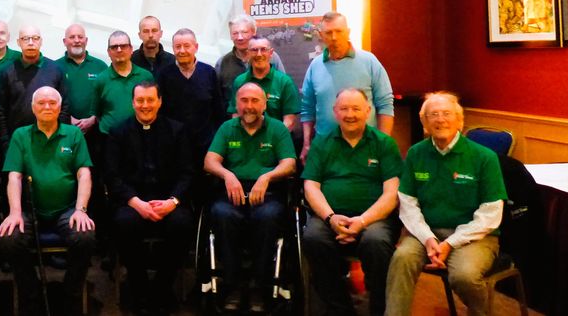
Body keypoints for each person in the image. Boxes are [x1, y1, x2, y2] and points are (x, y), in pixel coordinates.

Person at [385, 92, 507, 316]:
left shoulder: (484, 157)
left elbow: (491, 213)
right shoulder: (415, 153)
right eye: (434, 115)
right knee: (401, 260)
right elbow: (408, 204)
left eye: (447, 114)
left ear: (460, 121)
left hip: (475, 237)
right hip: (426, 233)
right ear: (424, 123)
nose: (441, 120)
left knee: (464, 275)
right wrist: (428, 238)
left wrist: (450, 243)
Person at [301, 88, 402, 316]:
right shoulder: (322, 143)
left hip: (375, 219)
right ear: (335, 113)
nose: (350, 114)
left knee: (376, 241)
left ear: (368, 112)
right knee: (313, 238)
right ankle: (340, 308)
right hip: (330, 216)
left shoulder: (384, 143)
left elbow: (391, 193)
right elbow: (311, 186)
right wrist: (330, 217)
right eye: (344, 109)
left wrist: (363, 221)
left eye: (356, 108)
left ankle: (378, 308)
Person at [0, 87, 96, 315]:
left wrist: (81, 210)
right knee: (10, 238)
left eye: (52, 103)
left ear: (60, 108)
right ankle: (31, 294)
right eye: (41, 103)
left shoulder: (74, 134)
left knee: (85, 236)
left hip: (66, 210)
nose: (47, 107)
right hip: (30, 210)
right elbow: (14, 176)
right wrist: (14, 212)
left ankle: (70, 296)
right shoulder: (20, 135)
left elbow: (84, 174)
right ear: (33, 108)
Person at [204, 83, 297, 312]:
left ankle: (259, 286)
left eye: (255, 101)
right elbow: (210, 161)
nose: (249, 106)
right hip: (232, 191)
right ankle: (233, 285)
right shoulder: (227, 128)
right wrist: (227, 175)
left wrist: (267, 177)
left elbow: (290, 164)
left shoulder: (277, 129)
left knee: (268, 218)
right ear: (236, 103)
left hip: (268, 192)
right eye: (244, 100)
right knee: (222, 215)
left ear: (265, 103)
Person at [104, 82, 193, 315]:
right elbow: (112, 176)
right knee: (124, 223)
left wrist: (172, 202)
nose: (145, 105)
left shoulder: (177, 130)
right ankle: (138, 287)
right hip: (132, 202)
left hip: (168, 202)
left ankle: (163, 287)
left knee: (182, 224)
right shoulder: (118, 132)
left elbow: (187, 173)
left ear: (160, 101)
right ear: (133, 102)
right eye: (140, 100)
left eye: (150, 100)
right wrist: (136, 202)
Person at [300, 11, 394, 163]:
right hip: (325, 149)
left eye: (339, 31)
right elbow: (307, 109)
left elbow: (385, 105)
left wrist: (383, 144)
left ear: (348, 32)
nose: (334, 37)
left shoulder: (369, 61)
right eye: (329, 32)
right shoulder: (315, 66)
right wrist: (306, 144)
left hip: (365, 147)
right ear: (321, 35)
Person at [156, 28, 225, 168]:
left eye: (186, 46)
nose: (182, 50)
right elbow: (160, 112)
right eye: (177, 46)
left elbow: (218, 110)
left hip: (206, 145)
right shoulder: (164, 75)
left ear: (196, 47)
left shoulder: (209, 72)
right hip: (175, 145)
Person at [0, 25, 69, 155]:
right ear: (18, 42)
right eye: (25, 39)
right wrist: (6, 143)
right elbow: (1, 111)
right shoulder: (7, 71)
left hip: (51, 140)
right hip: (17, 143)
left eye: (35, 38)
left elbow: (65, 108)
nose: (30, 43)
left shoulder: (56, 70)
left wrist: (58, 138)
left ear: (41, 41)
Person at [228, 37, 299, 132]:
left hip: (276, 143)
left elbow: (290, 121)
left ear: (271, 53)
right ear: (248, 53)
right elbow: (236, 116)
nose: (259, 54)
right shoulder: (239, 82)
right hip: (247, 142)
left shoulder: (285, 82)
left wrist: (271, 141)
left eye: (263, 49)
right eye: (254, 50)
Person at [214, 15, 286, 104]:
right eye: (235, 33)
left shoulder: (271, 58)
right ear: (230, 36)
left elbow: (284, 89)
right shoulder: (222, 63)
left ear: (254, 32)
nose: (240, 37)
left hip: (269, 116)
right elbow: (217, 98)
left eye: (244, 32)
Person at [54, 23, 108, 137]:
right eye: (72, 37)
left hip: (96, 131)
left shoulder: (101, 66)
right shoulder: (54, 67)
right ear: (64, 41)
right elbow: (51, 98)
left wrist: (93, 119)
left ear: (86, 40)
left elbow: (107, 97)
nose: (77, 40)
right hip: (64, 130)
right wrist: (67, 118)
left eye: (80, 37)